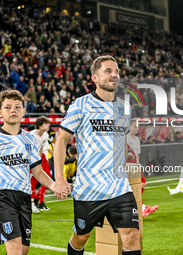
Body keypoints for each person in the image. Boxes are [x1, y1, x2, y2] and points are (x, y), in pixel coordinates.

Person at [54, 55, 141, 255]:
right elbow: (61, 140)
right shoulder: (81, 105)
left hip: (119, 187)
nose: (114, 74)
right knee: (81, 237)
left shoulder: (123, 108)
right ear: (94, 78)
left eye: (117, 71)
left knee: (131, 235)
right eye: (108, 71)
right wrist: (60, 178)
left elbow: (124, 141)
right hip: (89, 189)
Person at [0, 90, 64, 255]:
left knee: (23, 250)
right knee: (15, 250)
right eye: (8, 107)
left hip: (24, 198)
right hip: (2, 199)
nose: (13, 110)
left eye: (17, 107)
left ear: (24, 111)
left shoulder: (29, 139)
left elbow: (38, 171)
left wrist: (54, 185)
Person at [127, 120, 159, 218]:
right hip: (128, 165)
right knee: (136, 186)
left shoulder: (136, 139)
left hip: (136, 165)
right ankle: (142, 208)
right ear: (129, 127)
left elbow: (137, 154)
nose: (136, 128)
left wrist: (138, 164)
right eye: (134, 126)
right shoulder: (125, 138)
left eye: (137, 127)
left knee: (142, 184)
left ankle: (141, 207)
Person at [30, 117, 53, 211]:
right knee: (33, 180)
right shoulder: (31, 135)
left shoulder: (45, 135)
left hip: (40, 157)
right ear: (40, 125)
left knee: (47, 178)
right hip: (30, 158)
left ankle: (38, 199)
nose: (48, 125)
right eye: (45, 124)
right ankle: (32, 203)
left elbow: (42, 149)